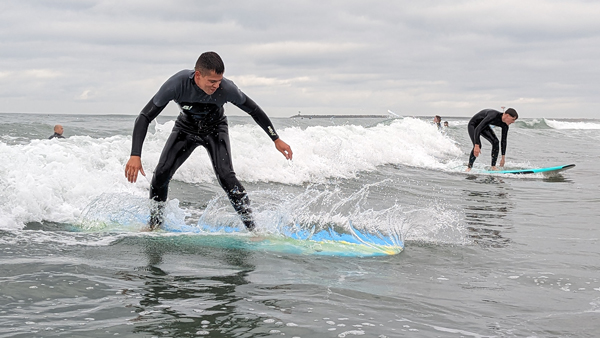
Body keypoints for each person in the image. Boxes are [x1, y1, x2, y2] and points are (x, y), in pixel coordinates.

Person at [124, 51, 293, 231]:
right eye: (212, 81)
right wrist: (135, 155)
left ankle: (253, 229)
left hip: (215, 129)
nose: (216, 86)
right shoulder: (176, 84)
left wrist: (276, 138)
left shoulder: (227, 89)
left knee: (226, 176)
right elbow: (144, 116)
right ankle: (154, 225)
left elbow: (254, 110)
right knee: (161, 173)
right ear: (198, 75)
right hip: (186, 129)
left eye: (219, 81)